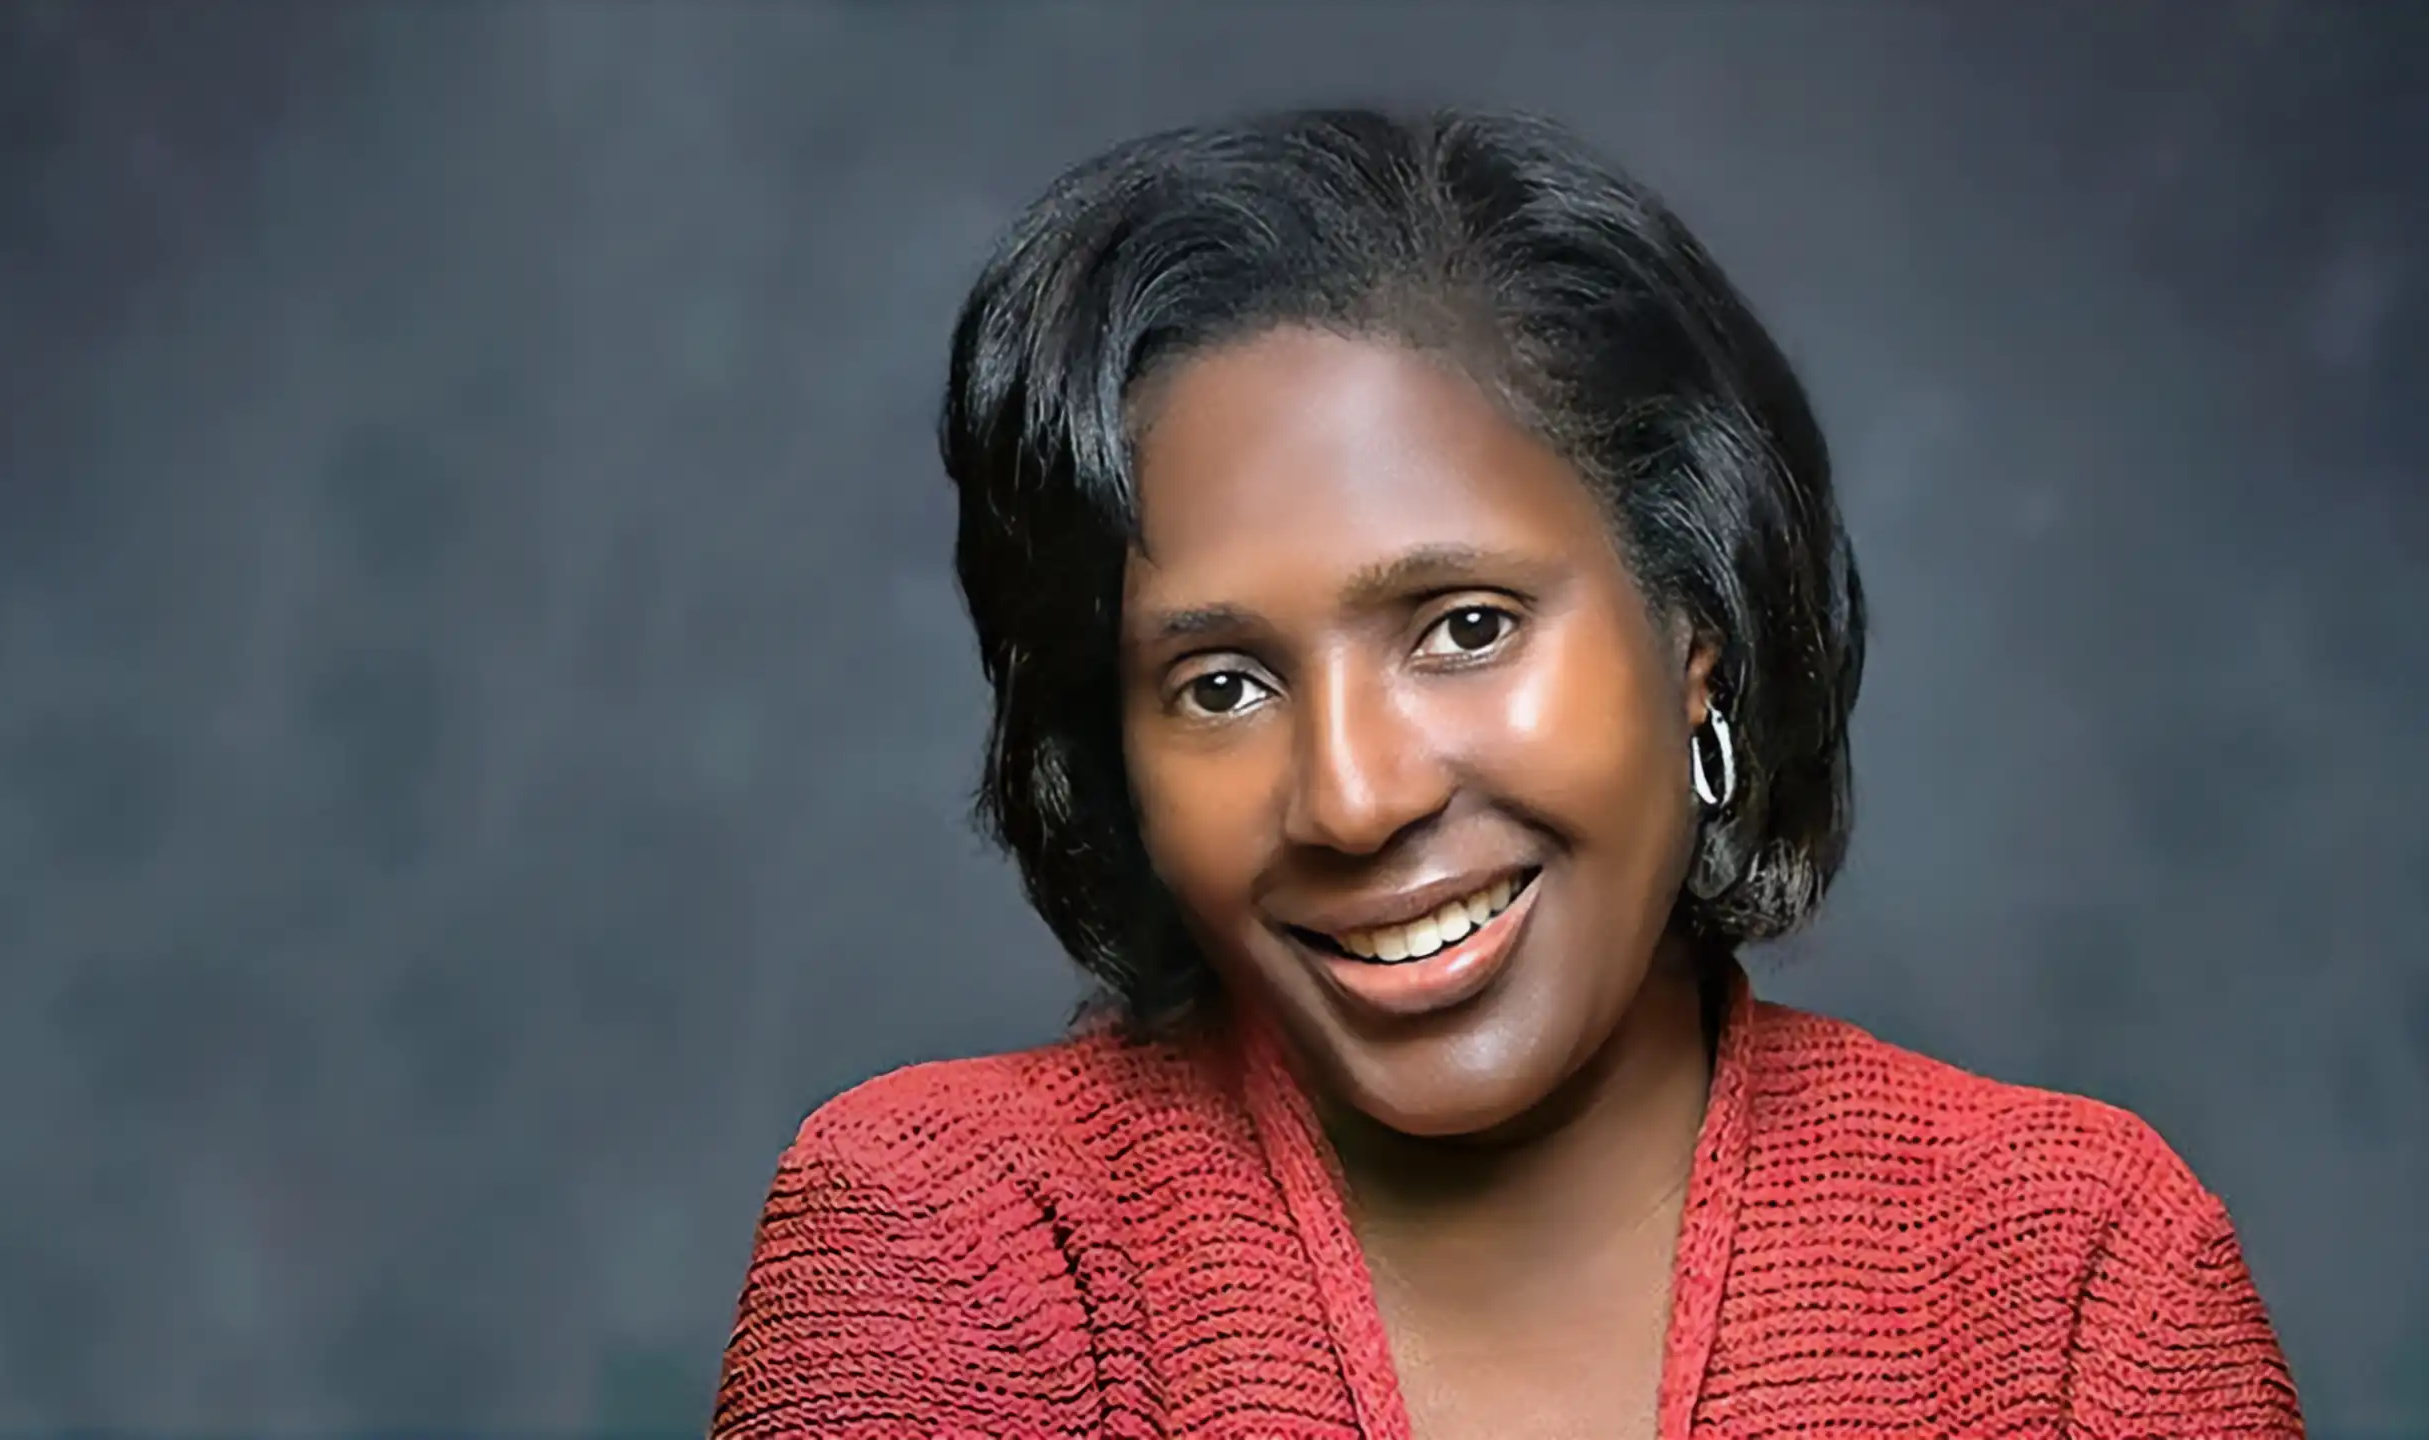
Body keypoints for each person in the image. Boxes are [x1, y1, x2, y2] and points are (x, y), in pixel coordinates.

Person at [711, 107, 2302, 1439]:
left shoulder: (2077, 1286)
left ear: (1699, 633)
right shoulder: (950, 1241)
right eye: (1222, 681)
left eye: (1465, 625)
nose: (1352, 796)